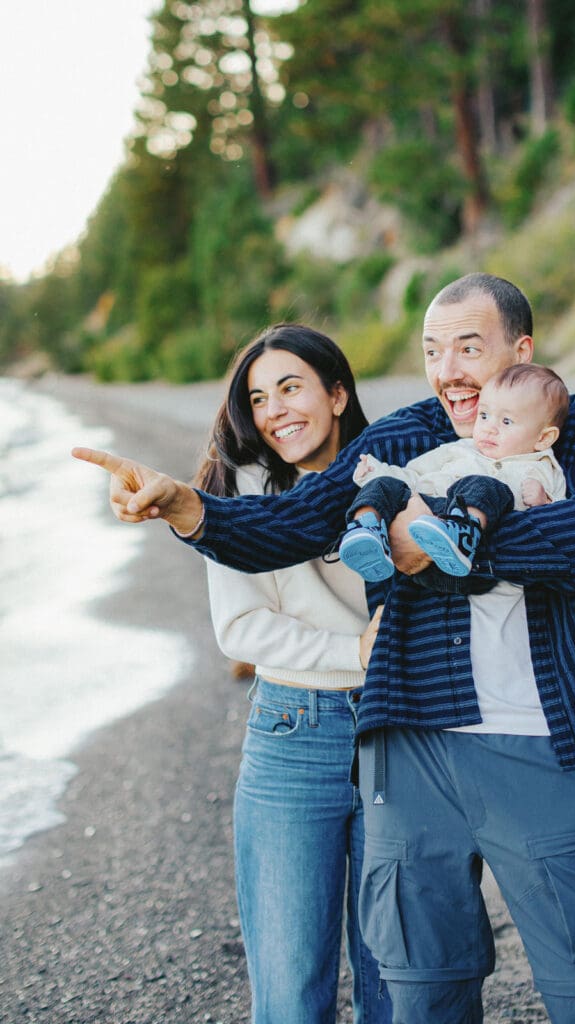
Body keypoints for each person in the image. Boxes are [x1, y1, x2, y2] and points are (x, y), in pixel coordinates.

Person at [72, 273, 575, 1024]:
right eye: (432, 350)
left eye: (469, 347)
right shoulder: (399, 437)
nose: (449, 369)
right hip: (407, 750)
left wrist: (446, 544)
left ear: (520, 348)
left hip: (540, 742)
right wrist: (189, 507)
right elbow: (295, 524)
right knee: (417, 990)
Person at [182, 324, 391, 1024]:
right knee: (290, 992)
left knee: (392, 978)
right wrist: (352, 652)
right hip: (294, 732)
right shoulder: (233, 491)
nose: (274, 410)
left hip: (402, 732)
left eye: (291, 387)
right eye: (258, 397)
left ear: (337, 394)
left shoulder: (392, 474)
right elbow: (239, 628)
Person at [338, 362, 568, 581]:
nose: (489, 428)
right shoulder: (458, 449)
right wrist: (376, 472)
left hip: (467, 552)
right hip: (424, 520)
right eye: (485, 415)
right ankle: (366, 532)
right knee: (381, 486)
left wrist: (543, 501)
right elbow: (413, 476)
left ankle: (460, 536)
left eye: (506, 421)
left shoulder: (541, 468)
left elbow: (561, 519)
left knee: (483, 485)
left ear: (543, 437)